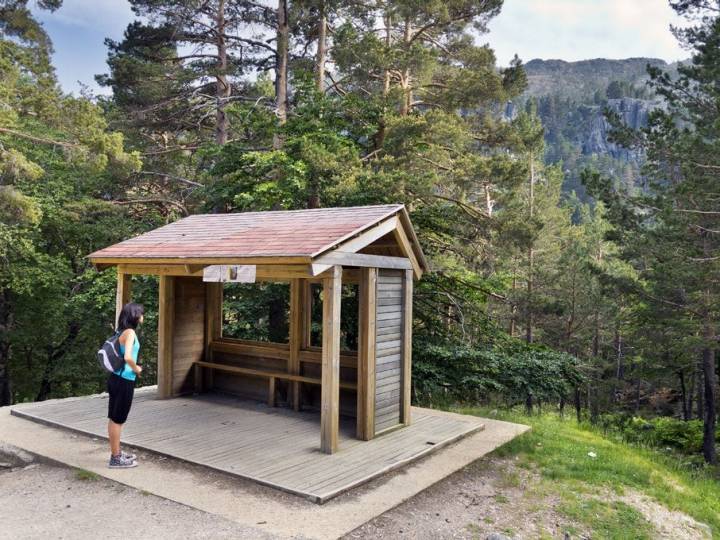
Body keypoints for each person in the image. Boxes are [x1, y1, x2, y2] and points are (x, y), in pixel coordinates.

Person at [107, 302, 144, 469]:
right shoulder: (129, 333)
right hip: (124, 380)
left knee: (114, 418)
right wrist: (137, 369)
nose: (143, 316)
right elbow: (128, 357)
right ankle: (115, 458)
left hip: (115, 378)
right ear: (135, 316)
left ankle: (116, 453)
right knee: (118, 419)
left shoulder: (121, 331)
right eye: (141, 314)